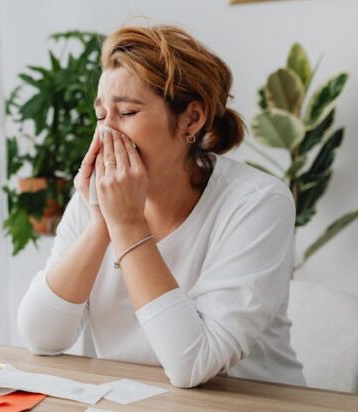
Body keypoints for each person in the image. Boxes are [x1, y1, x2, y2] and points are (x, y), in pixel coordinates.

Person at [17, 24, 305, 388]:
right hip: (141, 410)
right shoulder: (96, 198)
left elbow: (193, 364)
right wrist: (102, 223)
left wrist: (127, 227)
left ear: (191, 119)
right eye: (102, 115)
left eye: (127, 112)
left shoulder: (257, 203)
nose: (106, 132)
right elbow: (41, 338)